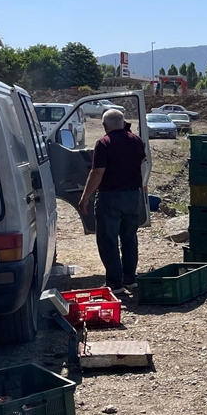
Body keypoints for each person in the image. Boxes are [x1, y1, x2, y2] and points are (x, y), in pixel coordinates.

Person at [78, 109, 147, 293]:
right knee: (130, 238)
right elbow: (142, 164)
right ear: (124, 123)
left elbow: (97, 172)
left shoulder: (103, 143)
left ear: (104, 125)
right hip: (133, 196)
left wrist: (85, 197)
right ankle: (130, 280)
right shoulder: (136, 140)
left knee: (108, 240)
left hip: (110, 197)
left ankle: (115, 284)